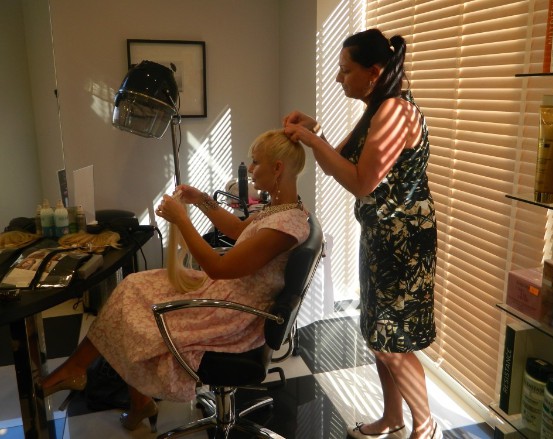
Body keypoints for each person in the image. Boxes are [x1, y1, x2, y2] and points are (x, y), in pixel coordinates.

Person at [41, 129, 309, 432]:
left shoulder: (283, 227)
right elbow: (237, 230)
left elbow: (217, 267)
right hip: (228, 291)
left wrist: (182, 219)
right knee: (134, 285)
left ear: (277, 168)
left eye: (256, 162)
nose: (250, 168)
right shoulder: (283, 209)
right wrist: (200, 199)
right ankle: (124, 391)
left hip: (233, 314)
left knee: (138, 311)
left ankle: (104, 381)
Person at [283, 29, 440, 439]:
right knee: (377, 335)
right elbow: (336, 162)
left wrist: (312, 139)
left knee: (392, 340)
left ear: (374, 72)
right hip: (381, 236)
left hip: (404, 243)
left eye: (345, 70)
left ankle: (426, 425)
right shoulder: (378, 109)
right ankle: (393, 417)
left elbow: (361, 182)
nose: (339, 78)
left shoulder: (395, 112)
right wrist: (314, 133)